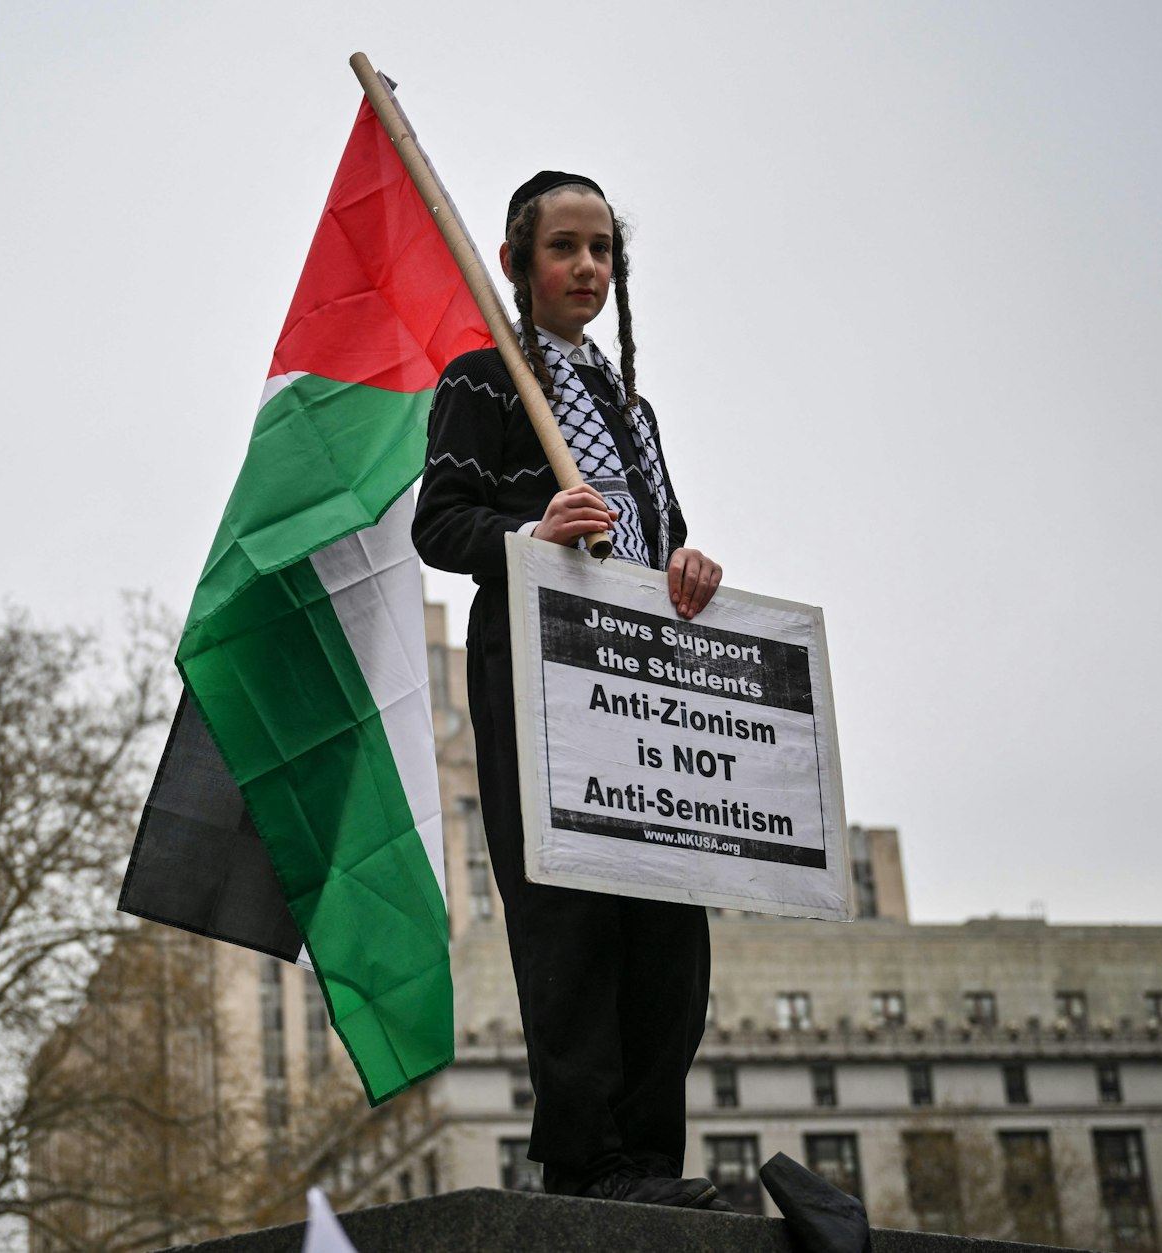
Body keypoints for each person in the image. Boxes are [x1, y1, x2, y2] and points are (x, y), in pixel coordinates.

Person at [412, 171, 727, 1208]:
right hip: (540, 675)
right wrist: (526, 533)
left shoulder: (633, 409)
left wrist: (686, 568)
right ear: (516, 264)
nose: (587, 267)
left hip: (647, 685)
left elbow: (661, 534)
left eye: (602, 250)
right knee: (571, 920)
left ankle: (648, 1161)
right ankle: (584, 1162)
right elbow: (438, 521)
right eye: (564, 247)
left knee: (669, 935)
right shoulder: (482, 381)